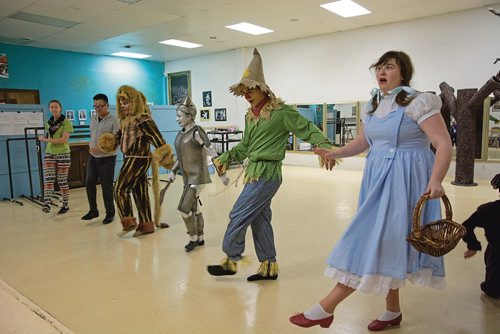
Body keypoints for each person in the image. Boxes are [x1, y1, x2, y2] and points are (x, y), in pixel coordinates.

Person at [289, 50, 452, 330]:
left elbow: (443, 143)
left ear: (403, 73)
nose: (382, 71)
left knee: (373, 240)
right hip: (378, 178)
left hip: (407, 180)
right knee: (388, 241)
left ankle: (326, 307)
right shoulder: (375, 104)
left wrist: (436, 180)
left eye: (389, 67)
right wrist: (335, 152)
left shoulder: (419, 102)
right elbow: (363, 143)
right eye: (379, 67)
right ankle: (392, 312)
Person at [206, 48, 334, 281]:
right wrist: (225, 158)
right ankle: (268, 266)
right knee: (259, 219)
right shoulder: (250, 116)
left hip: (267, 175)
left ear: (263, 88)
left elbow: (307, 129)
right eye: (243, 91)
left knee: (238, 214)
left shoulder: (281, 112)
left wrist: (324, 147)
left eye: (250, 89)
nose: (246, 95)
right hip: (254, 172)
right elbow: (245, 146)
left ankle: (231, 259)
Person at [167, 96, 230, 252]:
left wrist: (221, 173)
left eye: (179, 116)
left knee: (183, 208)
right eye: (176, 115)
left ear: (189, 116)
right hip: (187, 177)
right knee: (196, 209)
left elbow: (211, 151)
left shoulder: (197, 132)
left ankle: (193, 237)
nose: (177, 119)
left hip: (198, 177)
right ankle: (200, 237)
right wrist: (173, 171)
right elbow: (180, 157)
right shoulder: (181, 133)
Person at [112, 85, 175, 237]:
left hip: (138, 159)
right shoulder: (125, 121)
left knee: (119, 189)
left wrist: (166, 158)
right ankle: (146, 225)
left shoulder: (143, 119)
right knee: (139, 192)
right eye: (121, 102)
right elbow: (118, 138)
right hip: (132, 158)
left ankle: (128, 222)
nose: (122, 105)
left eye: (126, 102)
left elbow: (158, 139)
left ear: (135, 102)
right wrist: (110, 141)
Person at [81, 94, 119, 224]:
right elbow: (93, 135)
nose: (98, 109)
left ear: (107, 105)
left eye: (100, 106)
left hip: (107, 158)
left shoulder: (114, 120)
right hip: (93, 156)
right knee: (89, 182)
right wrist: (91, 146)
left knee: (106, 186)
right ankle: (93, 210)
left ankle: (110, 213)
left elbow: (115, 142)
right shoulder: (92, 118)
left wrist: (101, 150)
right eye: (95, 106)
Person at [462, 173, 500, 299]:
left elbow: (466, 226)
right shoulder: (488, 211)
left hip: (496, 256)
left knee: (493, 289)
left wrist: (473, 246)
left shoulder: (488, 210)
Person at [39, 99, 74, 214]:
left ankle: (65, 205)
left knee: (62, 181)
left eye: (56, 107)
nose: (54, 109)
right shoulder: (48, 122)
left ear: (60, 108)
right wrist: (47, 140)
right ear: (49, 109)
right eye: (52, 107)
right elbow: (50, 137)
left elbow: (64, 139)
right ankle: (47, 203)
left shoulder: (66, 122)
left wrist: (46, 139)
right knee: (49, 179)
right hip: (50, 153)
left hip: (63, 154)